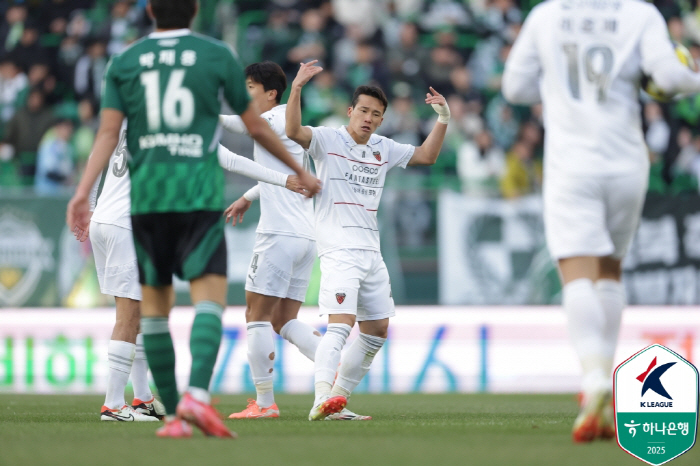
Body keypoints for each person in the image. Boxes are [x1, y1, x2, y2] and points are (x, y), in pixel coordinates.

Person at [66, 0, 320, 439]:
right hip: (187, 203)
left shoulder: (125, 64)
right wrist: (293, 173)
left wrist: (81, 194)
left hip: (137, 209)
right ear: (195, 9)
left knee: (150, 308)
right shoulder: (213, 55)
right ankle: (158, 401)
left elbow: (105, 136)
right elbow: (248, 132)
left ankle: (149, 400)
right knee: (196, 302)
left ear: (149, 11)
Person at [502, 0, 700, 443]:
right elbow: (668, 78)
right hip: (627, 162)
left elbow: (515, 88)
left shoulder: (547, 15)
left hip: (573, 164)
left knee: (576, 273)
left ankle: (592, 380)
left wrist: (555, 83)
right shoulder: (640, 13)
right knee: (611, 270)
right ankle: (605, 384)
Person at [86, 119, 304, 422]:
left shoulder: (128, 117)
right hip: (128, 222)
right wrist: (285, 179)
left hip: (104, 221)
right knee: (131, 314)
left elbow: (102, 151)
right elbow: (228, 159)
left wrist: (92, 204)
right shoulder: (178, 126)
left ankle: (142, 399)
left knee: (138, 312)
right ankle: (112, 405)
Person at [285, 60, 450, 420]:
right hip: (339, 249)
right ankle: (320, 396)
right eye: (363, 110)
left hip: (371, 252)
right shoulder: (328, 138)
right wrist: (296, 88)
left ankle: (337, 400)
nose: (369, 118)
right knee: (341, 326)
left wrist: (443, 119)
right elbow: (294, 130)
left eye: (376, 114)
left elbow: (427, 155)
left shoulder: (383, 148)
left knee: (376, 331)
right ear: (350, 111)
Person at [220, 61, 369, 421]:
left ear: (270, 93)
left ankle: (264, 402)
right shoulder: (290, 126)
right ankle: (332, 388)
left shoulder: (273, 119)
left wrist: (207, 112)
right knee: (283, 319)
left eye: (250, 89)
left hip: (277, 235)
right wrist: (250, 196)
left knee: (256, 316)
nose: (245, 96)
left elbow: (235, 125)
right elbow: (288, 174)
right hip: (305, 236)